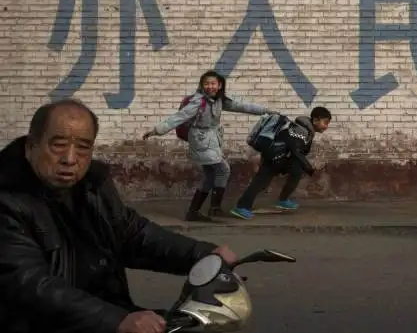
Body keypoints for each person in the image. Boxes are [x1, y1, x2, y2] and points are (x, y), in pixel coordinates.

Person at [0, 98, 239, 333]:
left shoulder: (93, 187)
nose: (70, 159)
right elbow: (30, 284)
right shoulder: (7, 200)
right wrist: (116, 319)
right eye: (58, 145)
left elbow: (133, 234)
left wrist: (203, 255)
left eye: (83, 147)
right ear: (30, 146)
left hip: (104, 316)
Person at [143, 70, 272, 222]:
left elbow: (242, 106)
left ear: (219, 85)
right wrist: (156, 131)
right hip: (201, 142)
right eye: (206, 83)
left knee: (209, 176)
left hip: (211, 141)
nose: (210, 86)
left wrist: (265, 111)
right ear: (202, 85)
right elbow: (178, 117)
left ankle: (196, 211)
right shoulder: (199, 102)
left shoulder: (219, 100)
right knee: (223, 170)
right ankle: (212, 209)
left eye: (213, 83)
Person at [230, 106, 331, 219]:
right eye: (325, 122)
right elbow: (296, 151)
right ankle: (241, 207)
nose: (326, 126)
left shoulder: (305, 130)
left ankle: (283, 200)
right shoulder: (301, 130)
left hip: (280, 158)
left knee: (296, 171)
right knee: (260, 182)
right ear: (315, 120)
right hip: (273, 157)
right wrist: (309, 168)